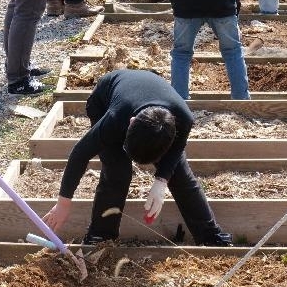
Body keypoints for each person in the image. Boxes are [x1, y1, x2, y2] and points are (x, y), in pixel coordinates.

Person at [42, 69, 233, 246]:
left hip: (150, 101)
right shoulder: (115, 118)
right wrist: (63, 204)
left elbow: (176, 149)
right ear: (131, 123)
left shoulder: (184, 118)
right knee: (117, 172)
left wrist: (161, 181)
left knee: (179, 173)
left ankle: (210, 236)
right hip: (104, 99)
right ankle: (100, 236)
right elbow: (79, 153)